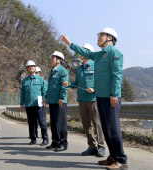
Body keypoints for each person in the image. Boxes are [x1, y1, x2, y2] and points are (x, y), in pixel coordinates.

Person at [60, 28, 128, 170]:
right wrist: (70, 44)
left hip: (111, 98)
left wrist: (114, 94)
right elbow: (85, 52)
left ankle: (121, 160)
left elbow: (117, 75)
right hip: (100, 97)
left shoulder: (115, 53)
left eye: (101, 35)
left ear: (109, 37)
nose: (98, 37)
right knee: (106, 128)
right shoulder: (99, 55)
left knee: (113, 129)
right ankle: (113, 156)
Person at [62, 43, 105, 157]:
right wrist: (69, 84)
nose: (80, 53)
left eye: (84, 51)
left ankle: (101, 146)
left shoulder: (96, 65)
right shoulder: (79, 68)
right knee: (86, 125)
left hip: (93, 99)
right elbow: (76, 84)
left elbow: (102, 81)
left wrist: (94, 89)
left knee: (97, 124)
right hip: (81, 99)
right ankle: (92, 147)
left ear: (89, 52)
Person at [44, 51, 69, 152]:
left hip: (60, 101)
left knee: (61, 123)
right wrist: (46, 97)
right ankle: (55, 141)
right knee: (53, 123)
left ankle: (63, 143)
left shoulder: (63, 71)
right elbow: (50, 87)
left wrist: (62, 97)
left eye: (53, 58)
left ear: (59, 60)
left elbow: (64, 85)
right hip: (52, 100)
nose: (51, 59)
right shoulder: (52, 71)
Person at [20, 60, 48, 146]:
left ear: (35, 68)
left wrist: (44, 100)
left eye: (33, 66)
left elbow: (44, 90)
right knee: (31, 122)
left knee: (42, 122)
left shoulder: (40, 79)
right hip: (29, 104)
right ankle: (33, 139)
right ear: (27, 69)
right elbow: (22, 93)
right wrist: (22, 103)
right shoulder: (24, 81)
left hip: (39, 104)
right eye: (29, 66)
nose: (31, 68)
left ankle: (45, 139)